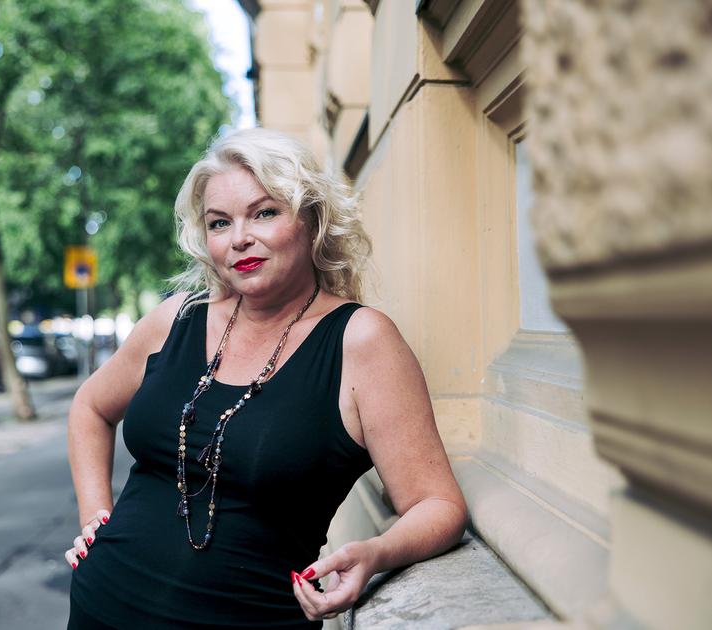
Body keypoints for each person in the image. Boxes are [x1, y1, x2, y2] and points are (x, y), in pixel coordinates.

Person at [64, 128, 468, 628]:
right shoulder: (177, 318)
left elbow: (438, 504)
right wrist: (95, 516)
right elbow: (90, 407)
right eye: (219, 223)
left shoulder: (361, 341)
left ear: (312, 219)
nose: (239, 239)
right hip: (100, 608)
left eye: (264, 213)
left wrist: (376, 553)